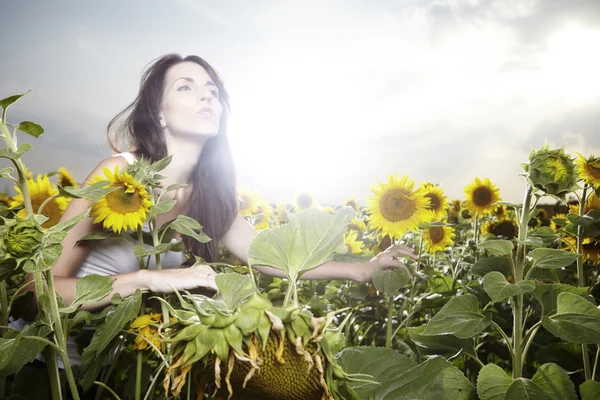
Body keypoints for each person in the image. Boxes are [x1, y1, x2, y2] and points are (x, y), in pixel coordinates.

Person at [30, 53, 417, 312]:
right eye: (186, 87)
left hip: (123, 370)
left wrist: (363, 268)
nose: (206, 97)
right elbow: (36, 289)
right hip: (52, 365)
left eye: (212, 92)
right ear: (159, 114)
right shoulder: (117, 176)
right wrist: (150, 280)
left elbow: (270, 258)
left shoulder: (209, 197)